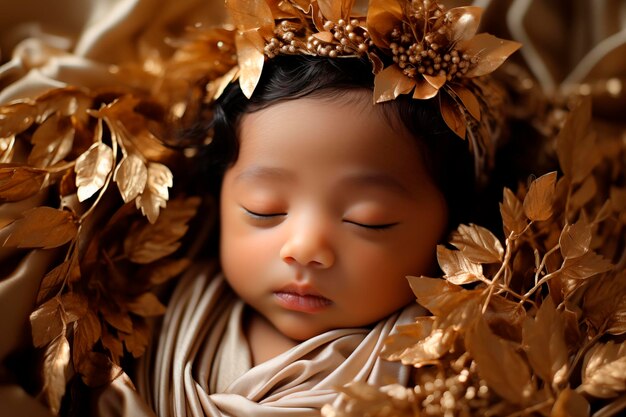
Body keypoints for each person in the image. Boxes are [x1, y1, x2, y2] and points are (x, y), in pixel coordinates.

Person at [0, 1, 522, 416]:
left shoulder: (447, 359)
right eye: (264, 209)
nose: (305, 249)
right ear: (218, 198)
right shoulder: (165, 313)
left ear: (452, 229)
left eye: (369, 220)